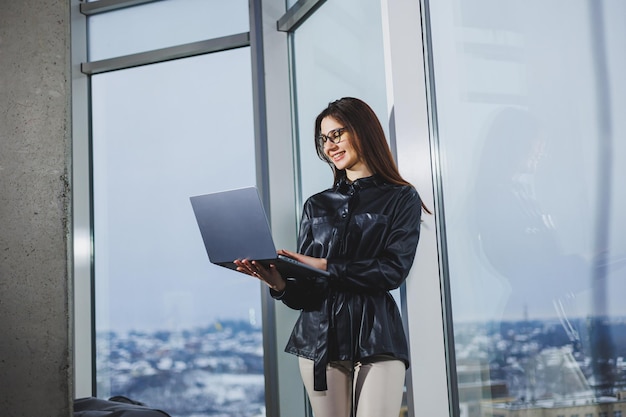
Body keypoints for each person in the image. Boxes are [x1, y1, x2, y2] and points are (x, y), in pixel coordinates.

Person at [234, 97, 426, 417]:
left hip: (377, 337)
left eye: (337, 134)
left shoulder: (401, 197)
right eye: (324, 139)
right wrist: (280, 283)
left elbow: (393, 271)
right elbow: (307, 291)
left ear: (363, 131)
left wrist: (325, 265)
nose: (330, 145)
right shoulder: (316, 205)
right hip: (318, 341)